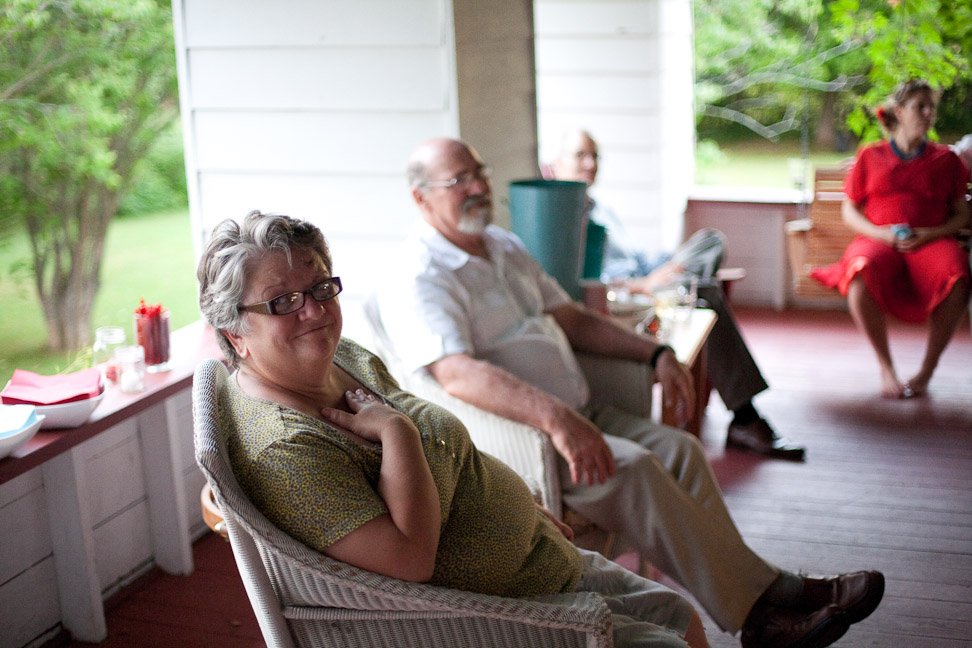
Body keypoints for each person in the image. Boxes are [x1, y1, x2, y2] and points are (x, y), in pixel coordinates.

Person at [374, 137, 886, 647]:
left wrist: (655, 353)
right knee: (639, 469)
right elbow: (456, 373)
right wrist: (555, 420)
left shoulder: (503, 245)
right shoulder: (420, 273)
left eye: (479, 172)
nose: (477, 187)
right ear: (421, 198)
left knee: (683, 451)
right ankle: (771, 604)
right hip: (527, 439)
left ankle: (763, 611)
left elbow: (572, 318)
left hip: (580, 412)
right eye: (458, 180)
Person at [196, 210, 713, 648]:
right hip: (504, 614)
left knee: (681, 615)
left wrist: (519, 504)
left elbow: (441, 448)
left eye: (319, 287)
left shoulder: (340, 357)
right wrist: (397, 434)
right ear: (235, 335)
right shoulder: (285, 449)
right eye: (283, 301)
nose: (313, 311)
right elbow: (410, 559)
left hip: (535, 557)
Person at [549, 129, 805, 461]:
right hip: (629, 302)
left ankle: (684, 284)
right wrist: (645, 283)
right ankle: (745, 417)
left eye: (595, 156)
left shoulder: (600, 208)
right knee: (706, 294)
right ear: (555, 164)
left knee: (710, 240)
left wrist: (669, 266)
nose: (590, 163)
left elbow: (636, 258)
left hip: (650, 281)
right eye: (580, 155)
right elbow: (591, 285)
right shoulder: (563, 221)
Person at [810, 79, 971, 399]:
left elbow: (962, 214)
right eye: (919, 107)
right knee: (859, 270)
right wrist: (880, 233)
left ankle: (926, 372)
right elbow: (850, 209)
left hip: (928, 241)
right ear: (899, 111)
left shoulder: (946, 160)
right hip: (879, 239)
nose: (928, 114)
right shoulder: (870, 155)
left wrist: (930, 233)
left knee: (957, 277)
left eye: (931, 107)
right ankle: (886, 368)